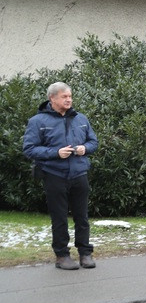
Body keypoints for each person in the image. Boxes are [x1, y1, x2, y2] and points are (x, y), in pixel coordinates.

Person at [22, 81, 99, 270]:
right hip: (54, 175)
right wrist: (55, 153)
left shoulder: (81, 118)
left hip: (79, 174)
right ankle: (62, 256)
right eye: (64, 96)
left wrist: (85, 148)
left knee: (82, 216)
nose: (69, 99)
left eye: (70, 96)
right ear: (52, 98)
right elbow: (29, 149)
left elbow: (93, 142)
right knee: (59, 218)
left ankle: (85, 253)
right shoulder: (37, 122)